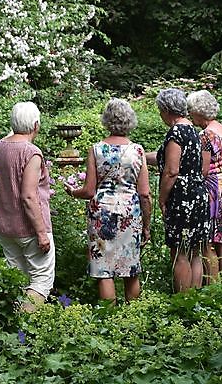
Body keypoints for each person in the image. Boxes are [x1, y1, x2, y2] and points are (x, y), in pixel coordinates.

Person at [64, 98, 151, 303]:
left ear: (106, 121)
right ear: (130, 121)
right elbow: (145, 193)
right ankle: (133, 318)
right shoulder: (138, 151)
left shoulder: (96, 150)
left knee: (104, 270)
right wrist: (146, 226)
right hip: (130, 213)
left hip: (101, 214)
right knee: (131, 268)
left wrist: (72, 192)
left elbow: (88, 191)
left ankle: (108, 321)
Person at [0, 101, 55, 311]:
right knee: (41, 282)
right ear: (36, 125)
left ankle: (10, 331)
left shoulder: (1, 147)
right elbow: (29, 196)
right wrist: (41, 233)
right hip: (29, 228)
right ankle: (23, 328)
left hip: (6, 228)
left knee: (18, 281)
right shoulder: (31, 153)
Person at [153, 88, 210, 292]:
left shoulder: (176, 132)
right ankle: (194, 298)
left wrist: (162, 198)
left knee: (179, 252)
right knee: (195, 250)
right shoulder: (194, 131)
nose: (160, 115)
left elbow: (171, 170)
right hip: (198, 193)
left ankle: (181, 299)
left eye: (160, 110)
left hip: (182, 196)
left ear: (167, 110)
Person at [187, 90, 222, 282]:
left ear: (199, 112)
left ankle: (214, 289)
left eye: (192, 111)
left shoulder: (205, 135)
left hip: (211, 189)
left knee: (207, 242)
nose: (191, 115)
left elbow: (203, 170)